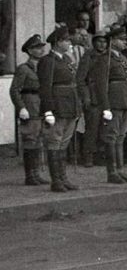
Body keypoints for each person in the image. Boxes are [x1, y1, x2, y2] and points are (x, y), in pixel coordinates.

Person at [89, 26, 127, 185]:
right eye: (121, 39)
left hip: (123, 101)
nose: (124, 42)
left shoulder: (122, 58)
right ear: (113, 41)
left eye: (125, 39)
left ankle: (120, 170)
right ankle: (112, 171)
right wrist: (106, 106)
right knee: (111, 136)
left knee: (120, 137)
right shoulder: (104, 59)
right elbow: (101, 85)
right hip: (113, 102)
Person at [38, 25, 82, 193]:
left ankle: (63, 178)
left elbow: (73, 84)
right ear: (57, 42)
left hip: (70, 106)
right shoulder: (47, 61)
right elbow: (45, 87)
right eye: (66, 40)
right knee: (54, 142)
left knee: (64, 143)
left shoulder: (66, 60)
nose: (69, 43)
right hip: (57, 106)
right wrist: (47, 110)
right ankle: (56, 180)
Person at [10, 34, 48, 186]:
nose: (40, 50)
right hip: (29, 105)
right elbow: (14, 90)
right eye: (36, 48)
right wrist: (21, 108)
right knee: (30, 140)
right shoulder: (23, 69)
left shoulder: (43, 67)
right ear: (29, 51)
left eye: (41, 47)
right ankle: (29, 175)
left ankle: (36, 173)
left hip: (40, 106)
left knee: (38, 141)